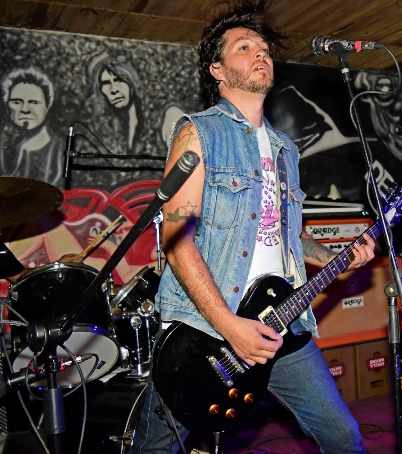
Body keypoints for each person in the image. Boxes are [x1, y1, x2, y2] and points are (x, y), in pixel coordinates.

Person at [129, 1, 376, 453]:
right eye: (244, 47)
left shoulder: (286, 150)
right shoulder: (199, 133)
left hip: (280, 321)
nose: (260, 52)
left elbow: (285, 235)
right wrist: (229, 325)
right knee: (156, 448)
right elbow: (176, 240)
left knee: (343, 436)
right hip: (204, 332)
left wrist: (336, 256)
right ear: (218, 70)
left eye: (263, 47)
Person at [0, 67, 64, 186]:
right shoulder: (4, 142)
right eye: (16, 102)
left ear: (47, 106)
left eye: (34, 102)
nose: (25, 110)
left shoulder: (58, 147)